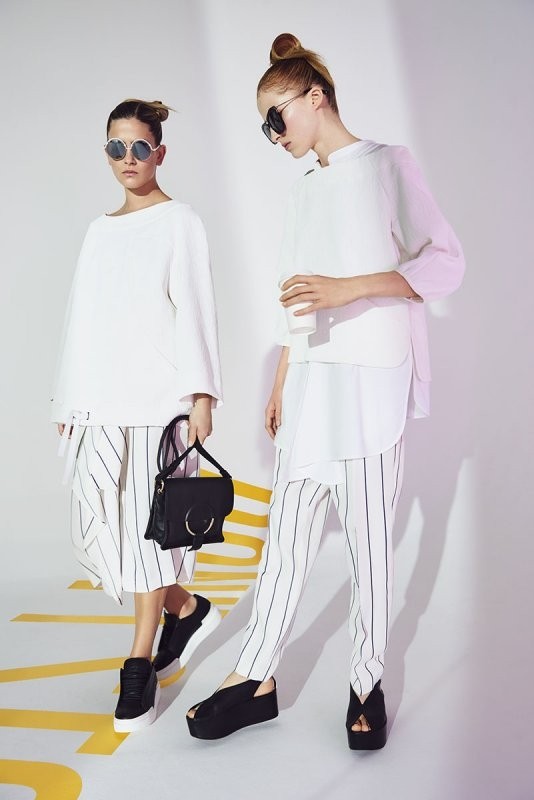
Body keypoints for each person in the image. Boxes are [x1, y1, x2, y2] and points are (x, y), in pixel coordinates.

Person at [186, 34, 465, 750]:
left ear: (315, 97)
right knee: (286, 537)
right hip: (312, 381)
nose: (272, 135)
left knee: (369, 543)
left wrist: (352, 288)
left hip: (370, 380)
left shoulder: (388, 165)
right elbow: (297, 296)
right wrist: (282, 378)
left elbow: (445, 260)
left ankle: (366, 681)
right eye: (263, 126)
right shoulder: (304, 190)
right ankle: (256, 677)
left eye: (275, 118)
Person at [50, 98, 223, 732]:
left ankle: (139, 661)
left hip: (159, 404)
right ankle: (188, 608)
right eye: (117, 148)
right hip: (100, 403)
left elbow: (195, 309)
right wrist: (70, 398)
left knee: (150, 536)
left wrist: (201, 397)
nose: (129, 159)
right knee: (111, 534)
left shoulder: (180, 221)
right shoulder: (99, 231)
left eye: (140, 147)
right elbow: (82, 317)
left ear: (160, 152)